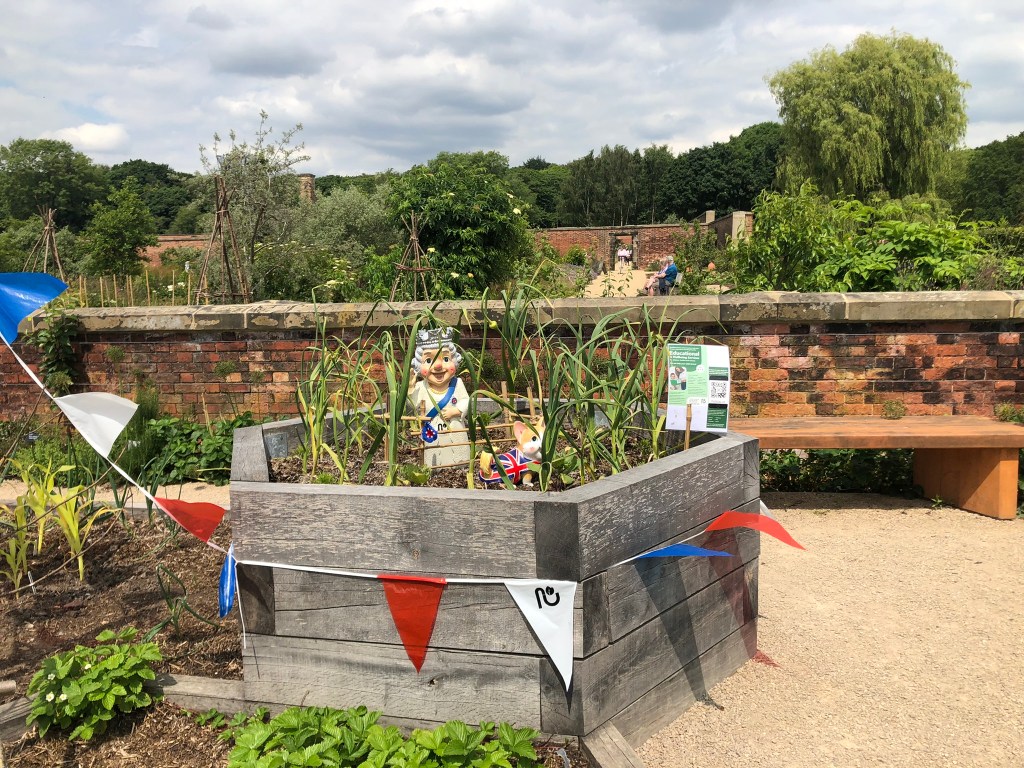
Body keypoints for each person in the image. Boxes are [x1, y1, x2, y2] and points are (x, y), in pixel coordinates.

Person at [407, 327, 470, 467]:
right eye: (429, 360)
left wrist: (456, 411)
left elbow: (466, 401)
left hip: (455, 430)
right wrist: (411, 388)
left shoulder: (457, 384)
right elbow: (411, 407)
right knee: (434, 456)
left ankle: (460, 464)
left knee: (458, 455)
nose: (438, 366)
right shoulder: (421, 387)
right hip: (433, 433)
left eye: (446, 358)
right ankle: (434, 467)